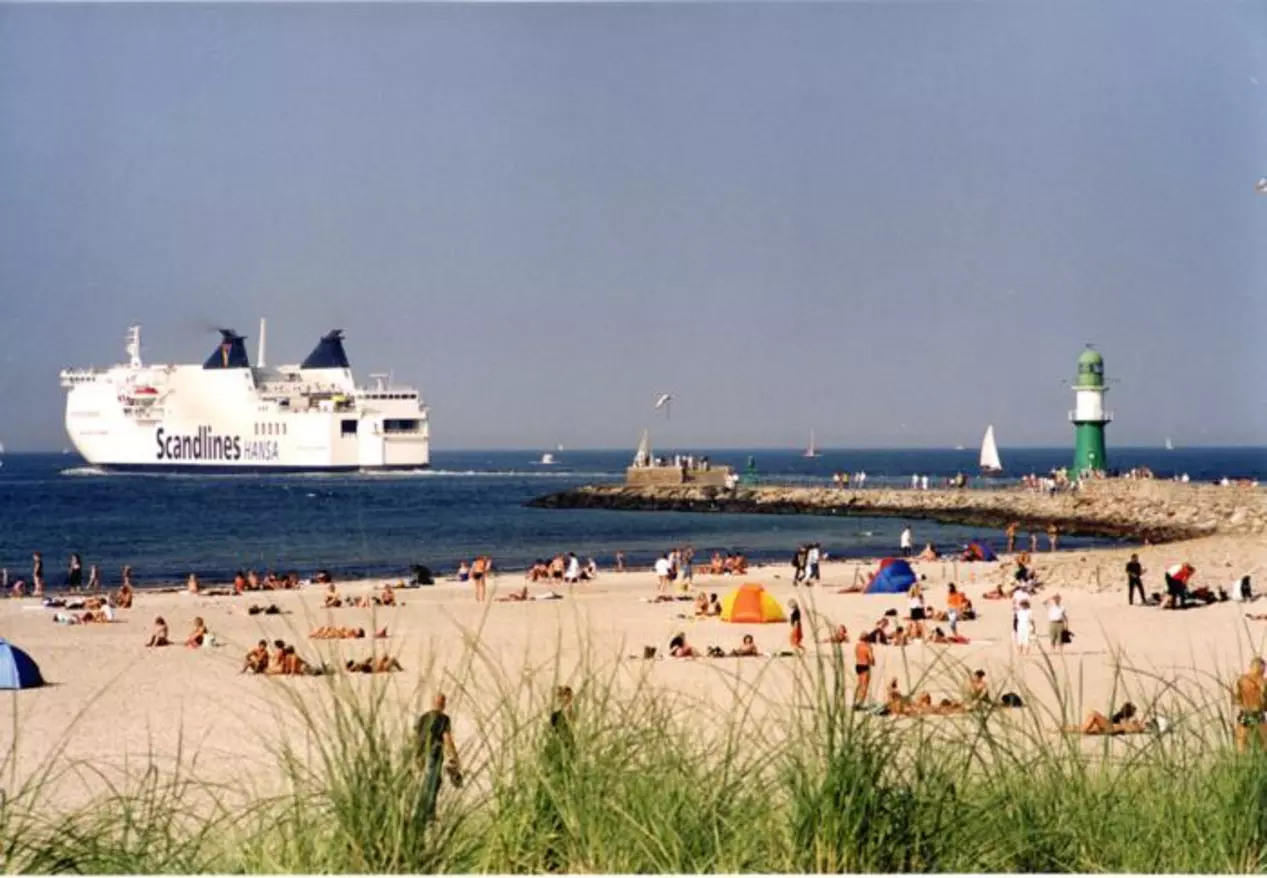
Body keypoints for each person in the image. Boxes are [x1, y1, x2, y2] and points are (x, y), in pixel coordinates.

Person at [416, 693, 460, 822]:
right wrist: (454, 755)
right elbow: (447, 737)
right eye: (442, 702)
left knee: (432, 780)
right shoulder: (443, 718)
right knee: (432, 781)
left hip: (423, 753)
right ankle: (427, 812)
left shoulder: (424, 717)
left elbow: (417, 737)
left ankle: (427, 810)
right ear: (443, 704)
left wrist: (417, 755)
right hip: (434, 753)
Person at [1235, 658, 1267, 753]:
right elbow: (1264, 702)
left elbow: (1236, 699)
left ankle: (1241, 764)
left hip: (1245, 713)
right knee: (1264, 743)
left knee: (1241, 744)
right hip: (1258, 713)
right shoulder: (1264, 681)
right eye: (1264, 669)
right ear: (1261, 667)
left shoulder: (1240, 680)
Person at [854, 633, 875, 708]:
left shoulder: (857, 646)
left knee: (859, 684)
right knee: (865, 685)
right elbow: (871, 657)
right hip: (865, 665)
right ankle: (860, 703)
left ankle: (856, 700)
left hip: (858, 665)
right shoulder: (868, 647)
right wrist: (873, 662)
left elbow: (856, 654)